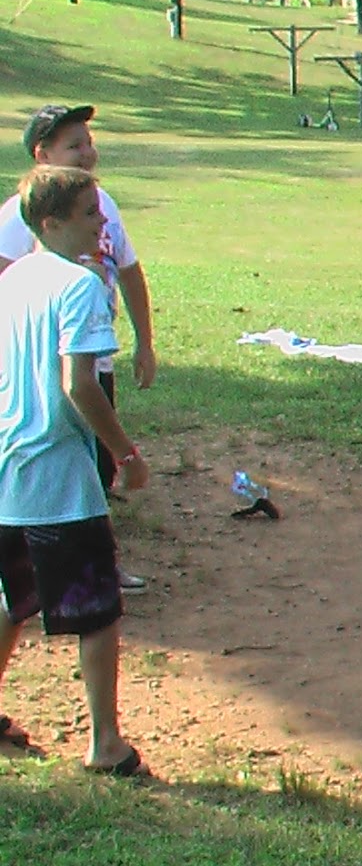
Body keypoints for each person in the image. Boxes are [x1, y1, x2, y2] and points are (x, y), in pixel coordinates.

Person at [0, 165, 152, 775]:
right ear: (50, 222)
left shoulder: (13, 281)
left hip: (8, 467)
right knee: (98, 609)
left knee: (13, 599)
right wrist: (125, 454)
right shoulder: (80, 286)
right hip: (57, 476)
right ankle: (106, 744)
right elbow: (79, 385)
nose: (103, 222)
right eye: (90, 213)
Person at [0, 105, 157, 595]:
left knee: (94, 465)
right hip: (46, 363)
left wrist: (144, 343)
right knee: (57, 460)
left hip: (93, 353)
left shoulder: (101, 201)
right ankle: (64, 572)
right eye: (74, 144)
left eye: (88, 141)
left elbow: (128, 269)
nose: (87, 152)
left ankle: (92, 561)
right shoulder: (17, 217)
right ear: (42, 155)